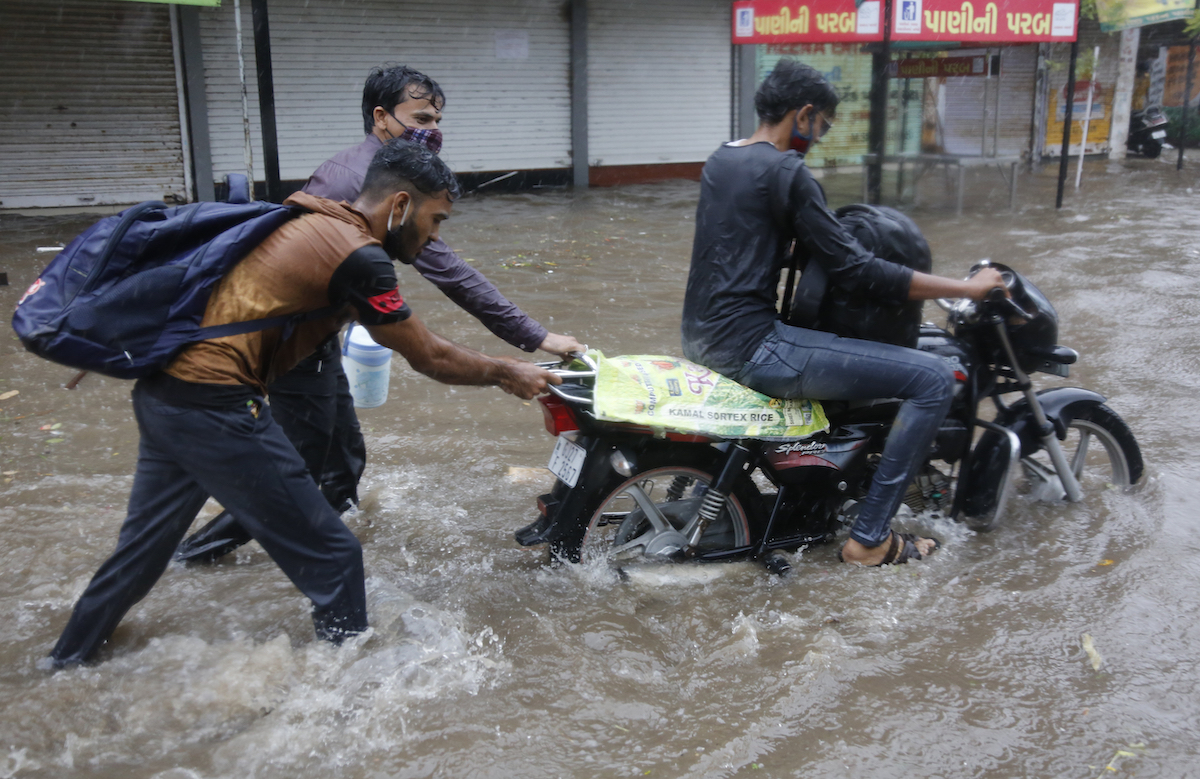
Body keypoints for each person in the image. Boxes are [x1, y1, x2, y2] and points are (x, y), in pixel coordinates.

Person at [47, 140, 558, 667]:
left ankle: (63, 663)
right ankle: (350, 698)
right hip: (216, 406)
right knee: (336, 558)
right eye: (436, 219)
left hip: (163, 396)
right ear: (400, 206)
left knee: (140, 555)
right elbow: (428, 356)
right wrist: (506, 371)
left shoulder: (308, 217)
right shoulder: (360, 259)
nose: (434, 237)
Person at [175, 64, 581, 563]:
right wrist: (534, 338)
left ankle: (324, 542)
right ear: (382, 117)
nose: (433, 130)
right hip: (290, 344)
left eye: (437, 120)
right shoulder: (366, 182)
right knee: (295, 470)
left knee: (342, 462)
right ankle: (206, 555)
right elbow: (445, 278)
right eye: (422, 117)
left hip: (314, 336)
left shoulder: (382, 174)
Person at [681, 60, 1005, 567]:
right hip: (753, 347)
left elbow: (747, 245)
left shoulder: (723, 160)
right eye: (823, 125)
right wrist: (971, 288)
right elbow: (859, 272)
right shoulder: (786, 170)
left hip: (701, 338)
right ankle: (870, 538)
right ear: (804, 114)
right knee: (934, 379)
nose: (820, 136)